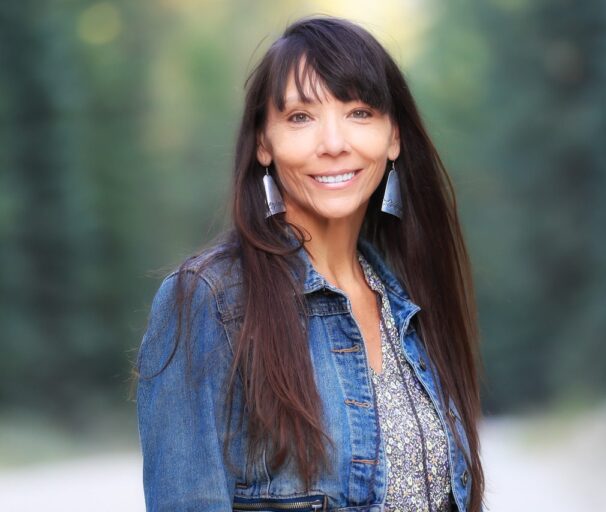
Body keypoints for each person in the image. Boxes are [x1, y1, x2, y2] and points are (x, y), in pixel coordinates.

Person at [135, 16, 484, 512]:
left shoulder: (410, 304)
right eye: (301, 117)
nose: (334, 142)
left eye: (360, 112)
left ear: (394, 138)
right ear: (263, 143)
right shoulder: (208, 303)